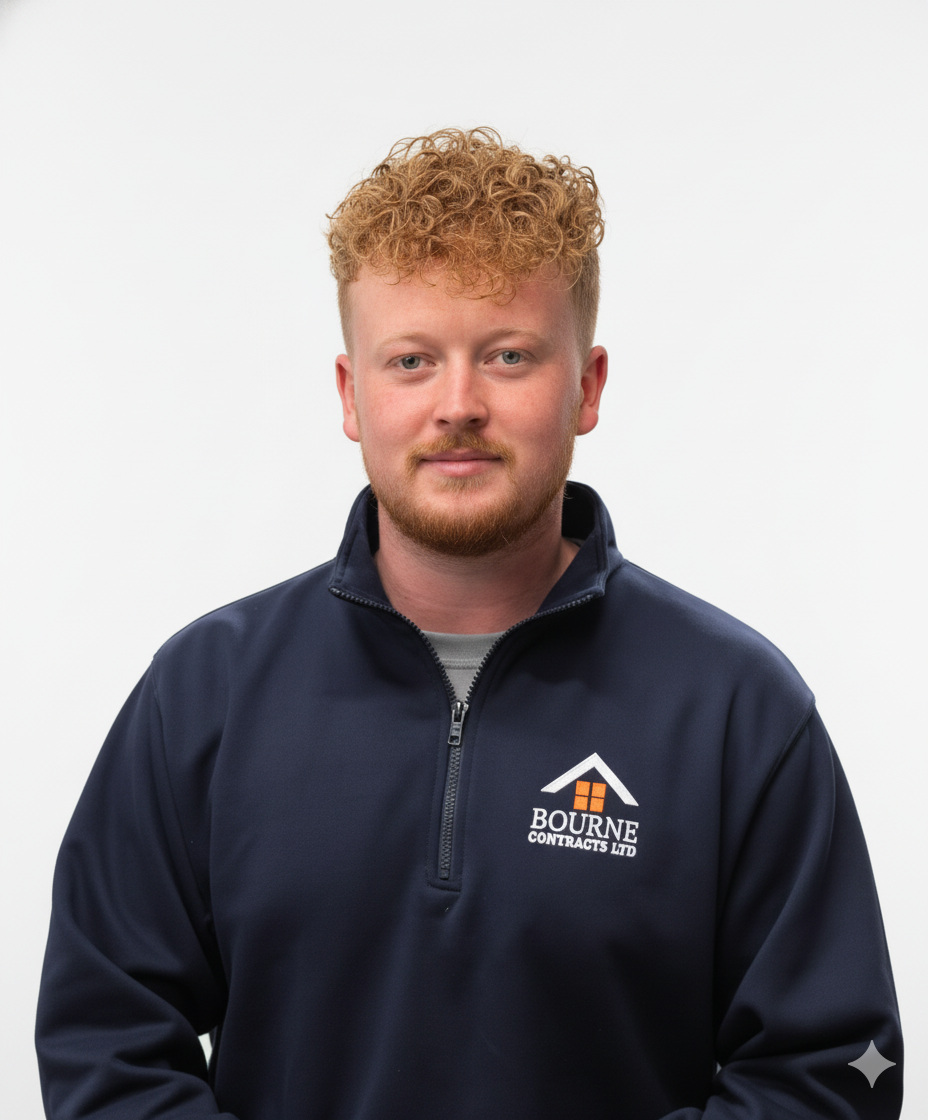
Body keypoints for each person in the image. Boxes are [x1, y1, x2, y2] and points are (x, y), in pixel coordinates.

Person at [36, 127, 902, 1120]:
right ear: (351, 394)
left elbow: (831, 1073)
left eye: (506, 356)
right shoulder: (203, 696)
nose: (458, 404)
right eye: (411, 359)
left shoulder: (737, 711)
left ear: (585, 387)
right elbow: (105, 1041)